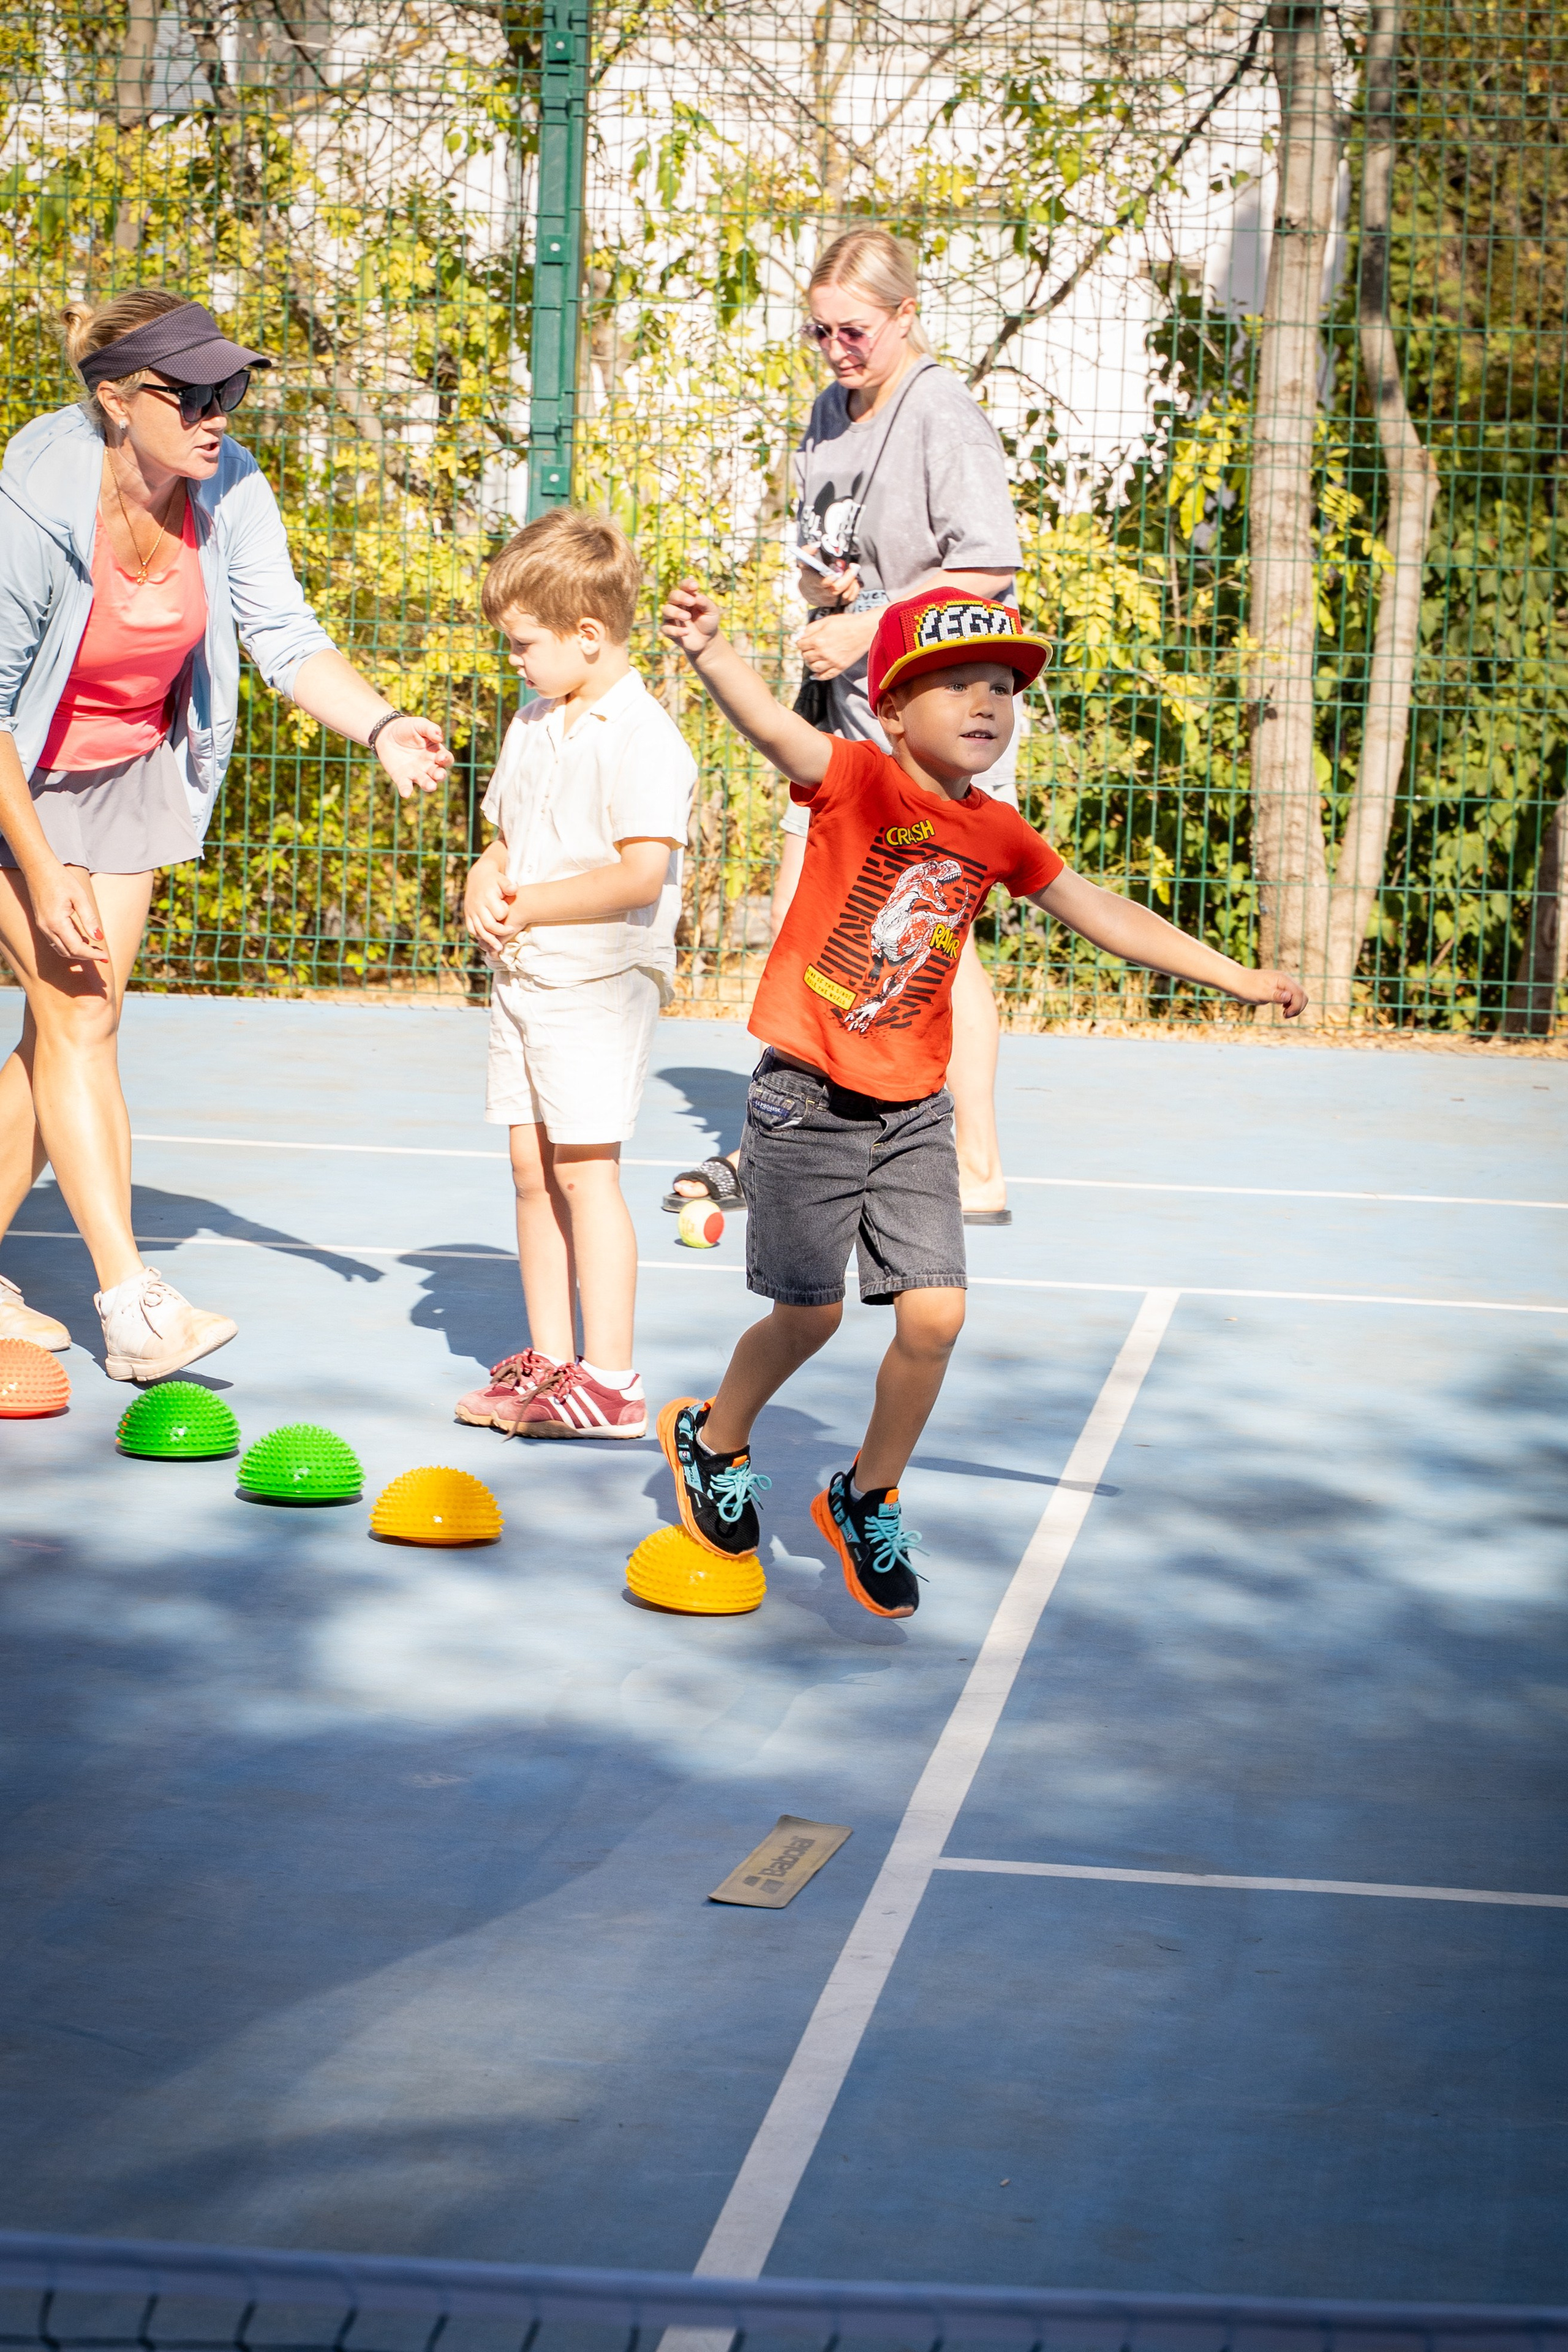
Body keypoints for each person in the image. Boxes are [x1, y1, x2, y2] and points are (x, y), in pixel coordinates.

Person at [657, 580, 1307, 1619]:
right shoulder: (858, 780)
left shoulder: (997, 831)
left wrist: (1238, 978)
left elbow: (1102, 910)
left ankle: (864, 1494)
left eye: (1001, 687)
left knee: (937, 1315)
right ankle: (715, 1436)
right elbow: (780, 734)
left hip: (915, 1108)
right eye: (956, 683)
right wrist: (712, 654)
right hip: (808, 1100)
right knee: (810, 1316)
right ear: (895, 706)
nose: (986, 702)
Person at [0, 288, 451, 1379]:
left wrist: (384, 724)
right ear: (117, 400)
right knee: (76, 1013)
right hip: (16, 770)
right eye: (192, 393)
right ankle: (132, 1301)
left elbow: (286, 638)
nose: (218, 414)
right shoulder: (30, 497)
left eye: (231, 390)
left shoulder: (229, 484)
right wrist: (42, 863)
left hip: (131, 768)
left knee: (69, 1031)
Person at [666, 227, 1023, 1229]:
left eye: (856, 331)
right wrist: (829, 592)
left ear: (906, 316)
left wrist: (871, 621)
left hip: (938, 721)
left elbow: (988, 566)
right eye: (820, 332)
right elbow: (834, 549)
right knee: (803, 917)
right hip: (847, 720)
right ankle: (776, 1142)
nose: (837, 350)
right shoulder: (830, 412)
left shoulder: (939, 410)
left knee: (940, 947)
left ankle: (979, 1164)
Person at [454, 509, 695, 1440]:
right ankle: (552, 1364)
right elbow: (508, 836)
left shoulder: (644, 738)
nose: (513, 658)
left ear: (587, 636)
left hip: (595, 985)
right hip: (525, 980)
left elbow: (639, 874)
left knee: (588, 1172)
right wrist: (487, 871)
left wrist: (530, 907)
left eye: (524, 643)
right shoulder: (534, 719)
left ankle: (612, 1381)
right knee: (529, 1166)